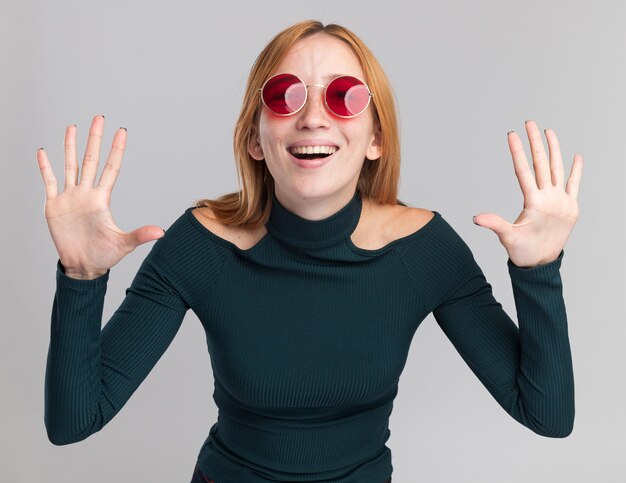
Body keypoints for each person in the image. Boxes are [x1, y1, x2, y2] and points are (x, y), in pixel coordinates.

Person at [37, 19, 583, 483]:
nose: (313, 117)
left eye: (344, 96)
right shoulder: (199, 246)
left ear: (376, 139)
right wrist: (81, 277)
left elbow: (547, 415)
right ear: (256, 137)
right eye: (284, 95)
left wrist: (538, 272)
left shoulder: (424, 252)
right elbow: (74, 422)